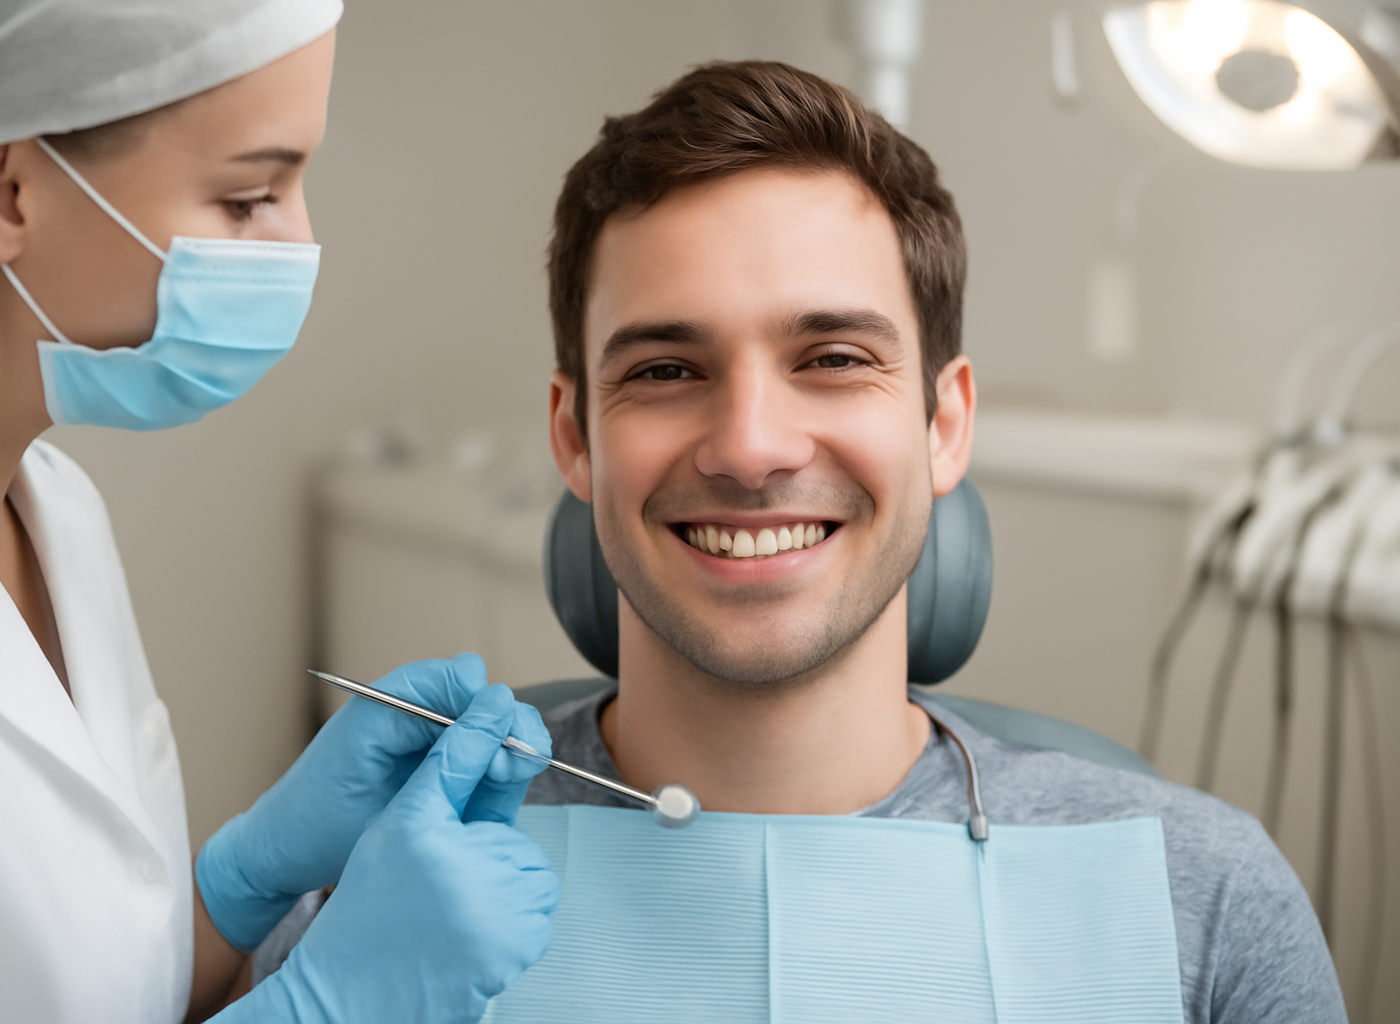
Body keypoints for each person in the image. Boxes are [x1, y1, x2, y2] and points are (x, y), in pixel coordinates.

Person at [496, 62, 1342, 1023]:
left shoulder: (1207, 899)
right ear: (575, 437)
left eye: (835, 359)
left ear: (945, 425)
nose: (750, 447)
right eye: (665, 369)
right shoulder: (386, 870)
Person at [0, 3, 557, 1022]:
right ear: (3, 191)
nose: (300, 243)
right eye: (248, 197)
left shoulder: (53, 511)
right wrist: (326, 1002)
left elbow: (89, 987)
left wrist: (243, 884)